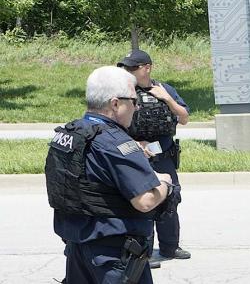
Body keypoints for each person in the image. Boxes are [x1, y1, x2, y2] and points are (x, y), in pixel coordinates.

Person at [45, 66, 176, 284]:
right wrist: (165, 183)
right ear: (115, 104)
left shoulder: (72, 134)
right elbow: (144, 200)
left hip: (78, 247)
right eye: (134, 101)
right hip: (114, 256)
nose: (137, 107)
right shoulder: (117, 143)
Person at [117, 49, 191, 261]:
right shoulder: (124, 92)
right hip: (136, 157)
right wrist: (135, 143)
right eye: (126, 68)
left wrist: (167, 99)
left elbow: (184, 118)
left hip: (164, 157)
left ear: (147, 68)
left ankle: (170, 248)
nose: (128, 71)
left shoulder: (165, 89)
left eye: (133, 67)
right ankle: (143, 253)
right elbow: (114, 125)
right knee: (143, 205)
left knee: (170, 201)